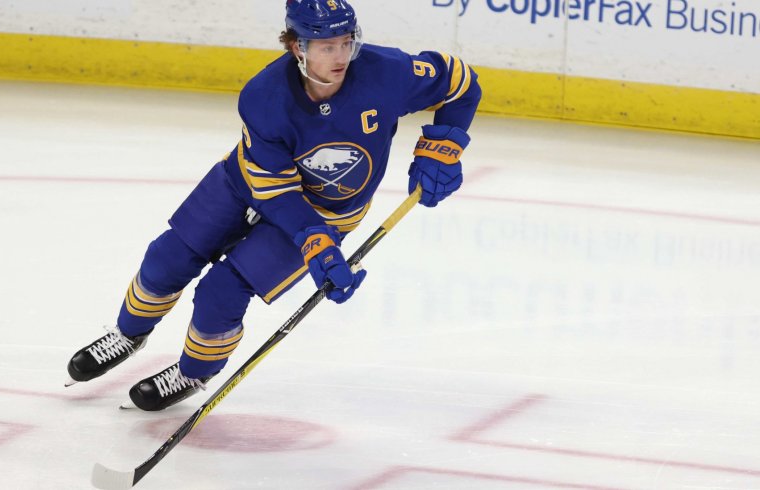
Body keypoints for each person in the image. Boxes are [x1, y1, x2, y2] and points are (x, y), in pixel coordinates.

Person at [65, 0, 482, 411]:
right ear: (298, 47)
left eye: (346, 42)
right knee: (167, 257)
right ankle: (127, 334)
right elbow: (275, 191)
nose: (341, 57)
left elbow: (461, 82)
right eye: (326, 46)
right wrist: (313, 240)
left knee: (222, 292)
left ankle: (193, 371)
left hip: (328, 210)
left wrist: (441, 147)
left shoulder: (386, 72)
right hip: (246, 185)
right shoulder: (264, 96)